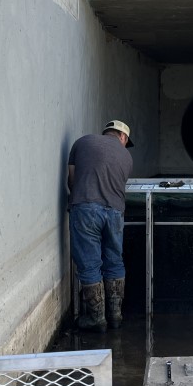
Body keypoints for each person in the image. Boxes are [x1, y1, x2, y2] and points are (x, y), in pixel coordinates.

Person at [68, 119, 134, 332]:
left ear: (106, 132)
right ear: (122, 137)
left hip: (86, 208)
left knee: (89, 263)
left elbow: (72, 179)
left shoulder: (82, 142)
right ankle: (115, 315)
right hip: (115, 212)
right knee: (114, 260)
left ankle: (96, 318)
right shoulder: (127, 156)